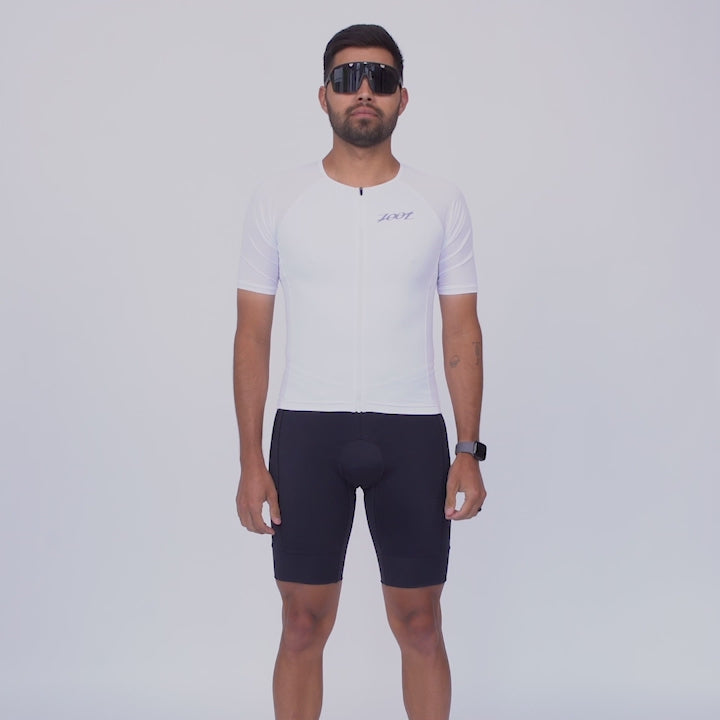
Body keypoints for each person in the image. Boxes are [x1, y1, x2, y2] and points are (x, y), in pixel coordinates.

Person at [233, 23, 487, 720]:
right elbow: (252, 334)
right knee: (301, 625)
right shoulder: (278, 198)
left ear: (403, 96)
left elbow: (461, 331)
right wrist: (251, 459)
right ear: (324, 96)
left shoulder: (440, 201)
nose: (364, 91)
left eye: (380, 78)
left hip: (413, 433)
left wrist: (467, 449)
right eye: (348, 79)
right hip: (306, 432)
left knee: (422, 625)